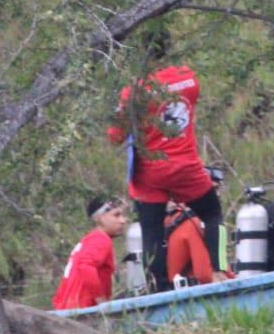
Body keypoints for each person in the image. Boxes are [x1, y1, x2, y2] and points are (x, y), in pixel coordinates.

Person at [106, 34, 221, 290]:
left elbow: (115, 136)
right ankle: (220, 269)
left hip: (149, 173)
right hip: (186, 167)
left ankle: (159, 290)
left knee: (152, 233)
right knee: (213, 214)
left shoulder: (134, 91)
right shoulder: (189, 79)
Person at [52, 197, 129, 310]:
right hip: (80, 310)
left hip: (67, 308)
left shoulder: (90, 239)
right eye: (116, 215)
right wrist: (102, 303)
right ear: (100, 218)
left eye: (122, 215)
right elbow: (85, 266)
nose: (123, 221)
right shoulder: (100, 239)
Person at [163, 200, 225, 286]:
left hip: (167, 290)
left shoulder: (167, 220)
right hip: (189, 294)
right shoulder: (192, 223)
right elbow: (204, 275)